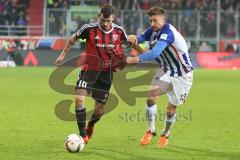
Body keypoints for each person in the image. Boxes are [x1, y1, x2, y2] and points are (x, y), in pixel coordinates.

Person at [55, 4, 128, 144]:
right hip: (89, 70)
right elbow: (72, 39)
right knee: (79, 99)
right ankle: (82, 135)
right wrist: (62, 55)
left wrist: (123, 61)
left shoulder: (119, 31)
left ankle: (91, 125)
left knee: (99, 109)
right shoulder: (88, 29)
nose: (106, 24)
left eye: (109, 21)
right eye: (103, 20)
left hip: (106, 73)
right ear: (99, 16)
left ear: (113, 18)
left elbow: (126, 47)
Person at [127, 6, 193, 147]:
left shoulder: (168, 33)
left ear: (163, 19)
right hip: (166, 69)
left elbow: (155, 53)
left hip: (183, 75)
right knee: (151, 97)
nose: (152, 24)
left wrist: (137, 59)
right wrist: (130, 39)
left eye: (155, 20)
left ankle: (165, 134)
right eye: (150, 21)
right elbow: (138, 39)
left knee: (170, 110)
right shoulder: (153, 30)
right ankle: (151, 130)